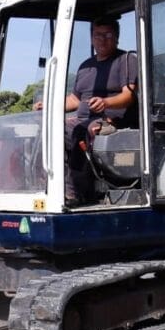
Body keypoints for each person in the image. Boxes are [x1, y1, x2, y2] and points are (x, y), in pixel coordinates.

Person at [45, 15, 138, 206]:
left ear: (117, 36)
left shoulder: (126, 60)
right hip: (83, 118)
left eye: (108, 34)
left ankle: (78, 194)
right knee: (49, 130)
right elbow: (74, 99)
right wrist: (49, 104)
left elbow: (129, 96)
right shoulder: (85, 66)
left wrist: (106, 103)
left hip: (113, 120)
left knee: (81, 130)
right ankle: (53, 189)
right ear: (91, 38)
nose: (102, 39)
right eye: (97, 35)